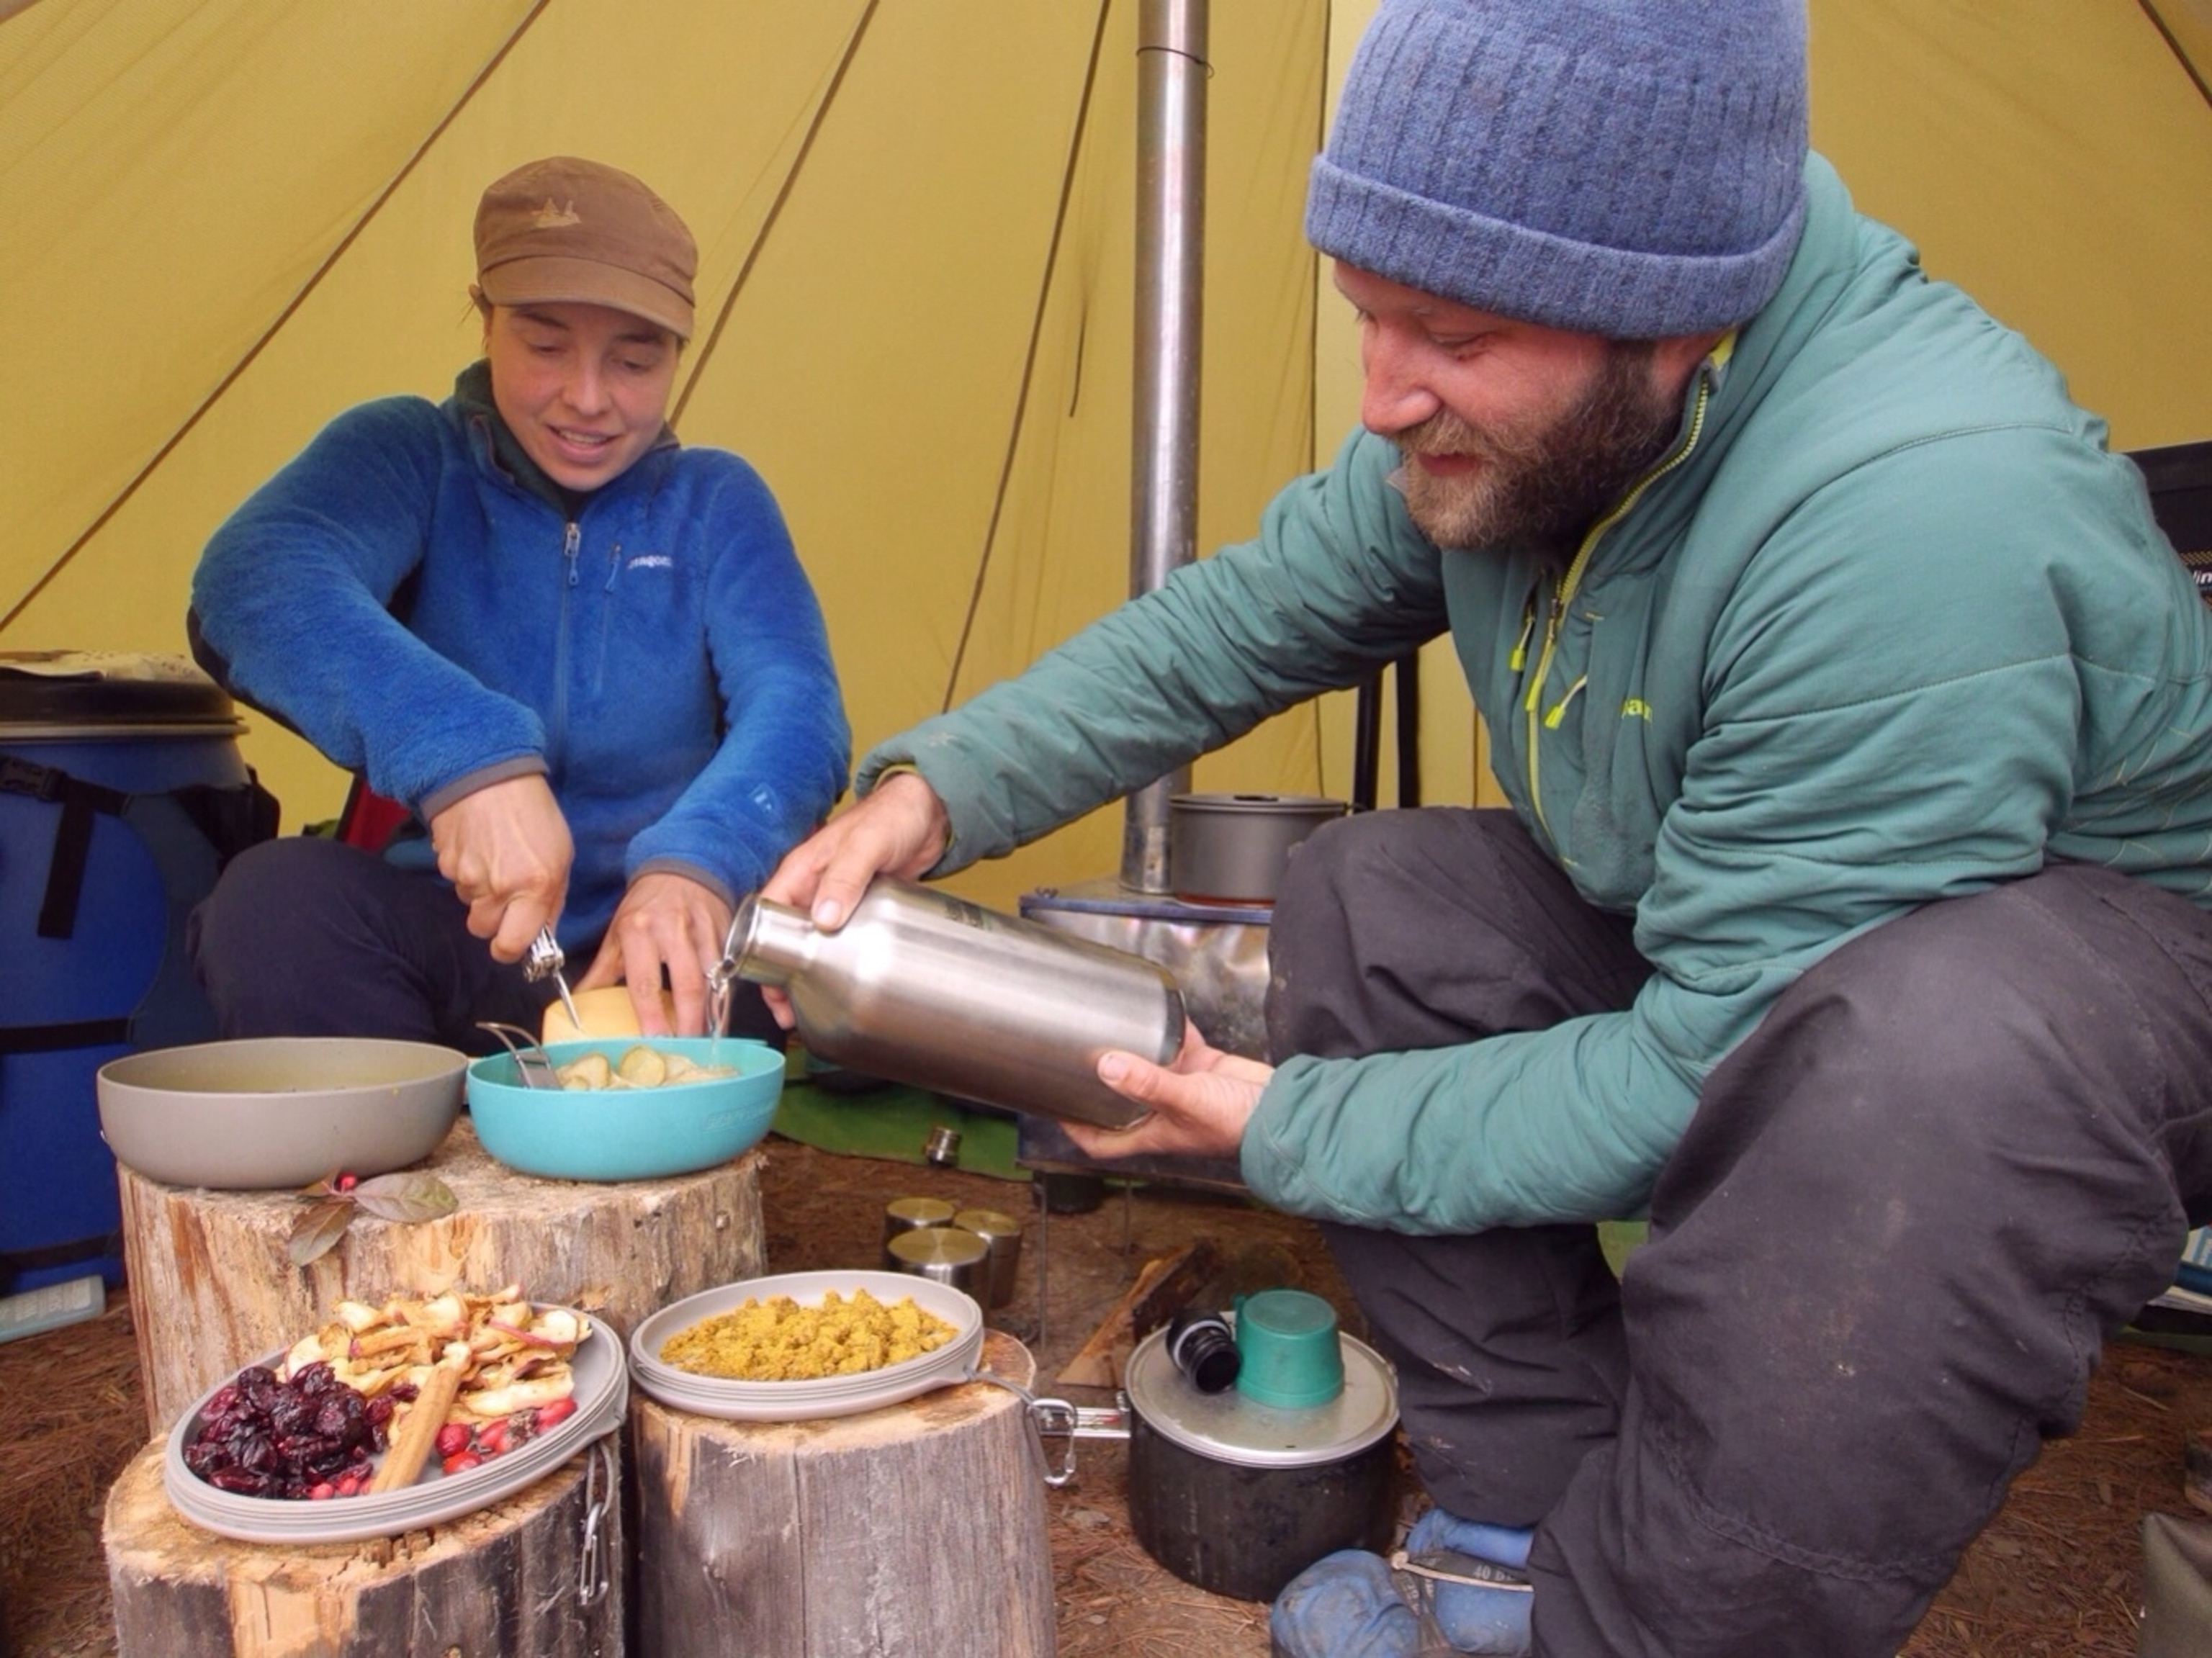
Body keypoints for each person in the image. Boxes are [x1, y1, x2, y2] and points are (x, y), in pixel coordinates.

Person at [760, 2, 2212, 1654]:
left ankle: (1642, 1628)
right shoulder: (1543, 413)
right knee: (1383, 901)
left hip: (2073, 1005)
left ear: (1664, 321)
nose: (1380, 396)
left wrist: (1274, 1126)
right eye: (1361, 314)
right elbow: (1230, 623)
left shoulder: (1911, 512)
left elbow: (1700, 1079)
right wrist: (933, 787)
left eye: (1440, 333)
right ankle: (1513, 1544)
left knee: (1919, 1068)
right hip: (1763, 937)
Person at [188, 156, 848, 1050]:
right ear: (483, 317)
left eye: (635, 359)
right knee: (275, 900)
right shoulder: (412, 457)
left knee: (769, 963)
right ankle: (389, 1178)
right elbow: (254, 578)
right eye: (544, 346)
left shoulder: (715, 503)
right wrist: (469, 757)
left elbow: (797, 711)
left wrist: (699, 862)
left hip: (660, 959)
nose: (587, 398)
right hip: (455, 950)